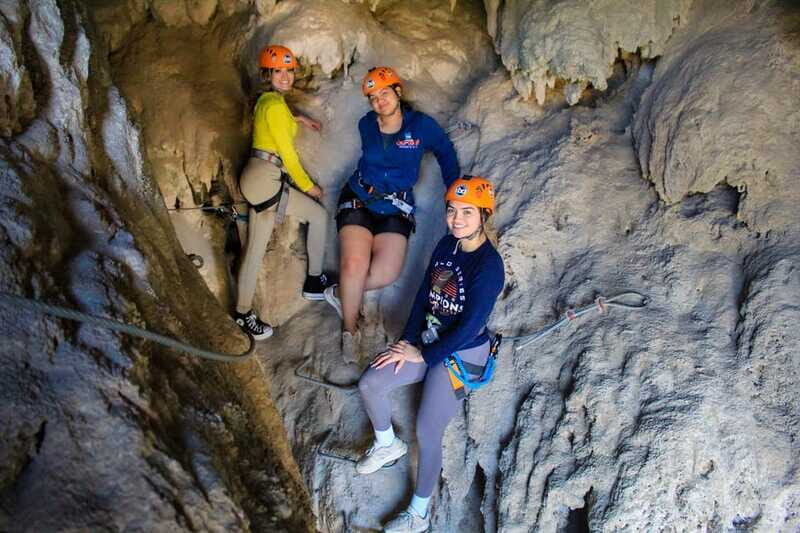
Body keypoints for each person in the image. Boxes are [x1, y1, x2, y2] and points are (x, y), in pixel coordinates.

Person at [356, 176, 504, 532]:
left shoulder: (488, 267)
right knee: (371, 382)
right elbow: (424, 296)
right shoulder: (446, 245)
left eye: (468, 212)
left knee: (427, 430)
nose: (457, 219)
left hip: (460, 353)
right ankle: (387, 445)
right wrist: (406, 344)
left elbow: (470, 326)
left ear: (484, 215)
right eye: (452, 211)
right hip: (427, 340)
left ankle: (418, 515)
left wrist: (423, 356)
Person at [324, 66, 460, 361]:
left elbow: (446, 152)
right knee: (353, 264)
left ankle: (341, 293)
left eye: (384, 93)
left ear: (398, 92)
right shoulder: (366, 125)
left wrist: (454, 192)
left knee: (386, 272)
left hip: (396, 205)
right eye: (372, 97)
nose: (379, 101)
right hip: (359, 196)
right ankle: (349, 330)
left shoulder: (420, 126)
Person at [234, 44, 334, 340]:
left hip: (256, 177)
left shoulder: (268, 102)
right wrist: (308, 186)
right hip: (267, 177)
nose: (286, 76)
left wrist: (299, 120)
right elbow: (288, 155)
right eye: (279, 71)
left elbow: (275, 124)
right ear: (267, 74)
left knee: (254, 251)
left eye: (289, 71)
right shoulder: (275, 106)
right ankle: (314, 282)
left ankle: (242, 313)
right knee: (317, 215)